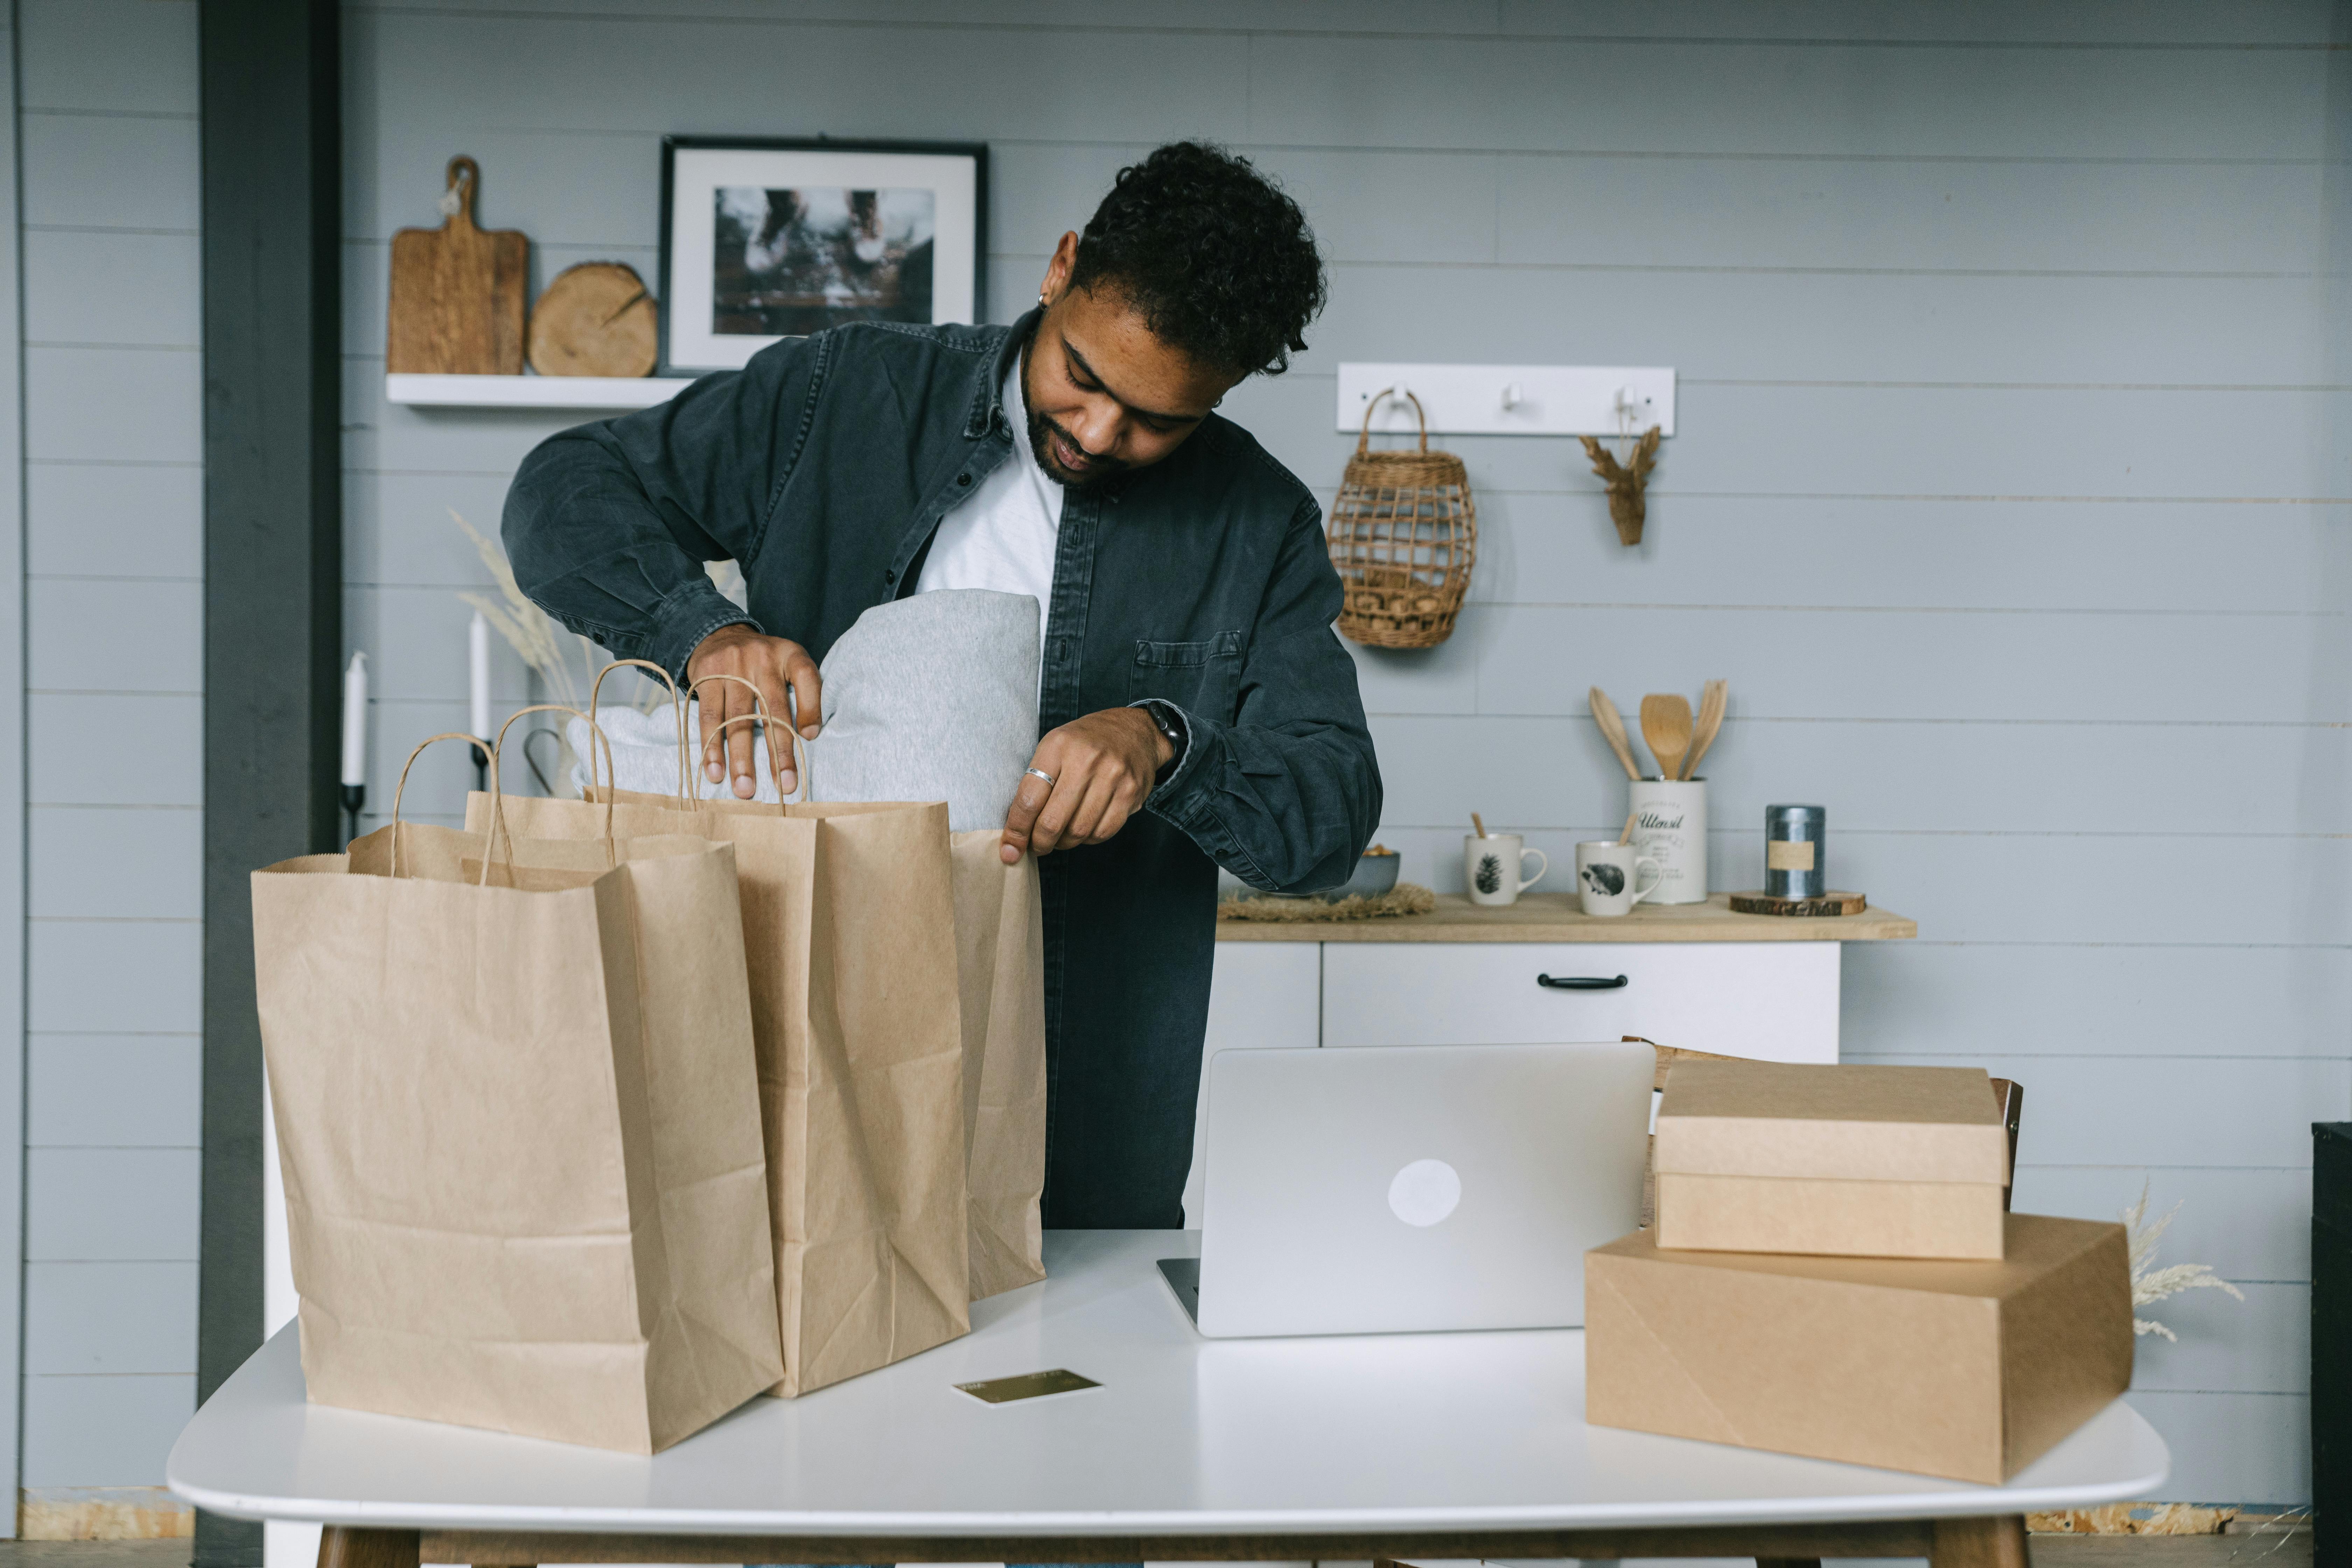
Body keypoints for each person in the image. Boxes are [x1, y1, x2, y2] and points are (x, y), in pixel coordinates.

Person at [502, 141, 1381, 1229]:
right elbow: (562, 492)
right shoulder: (843, 393)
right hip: (784, 1068)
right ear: (1060, 269)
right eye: (1087, 377)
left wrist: (1166, 741)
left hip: (1082, 1129)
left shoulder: (1260, 523)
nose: (1102, 433)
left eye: (1161, 421)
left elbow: (1332, 808)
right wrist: (703, 631)